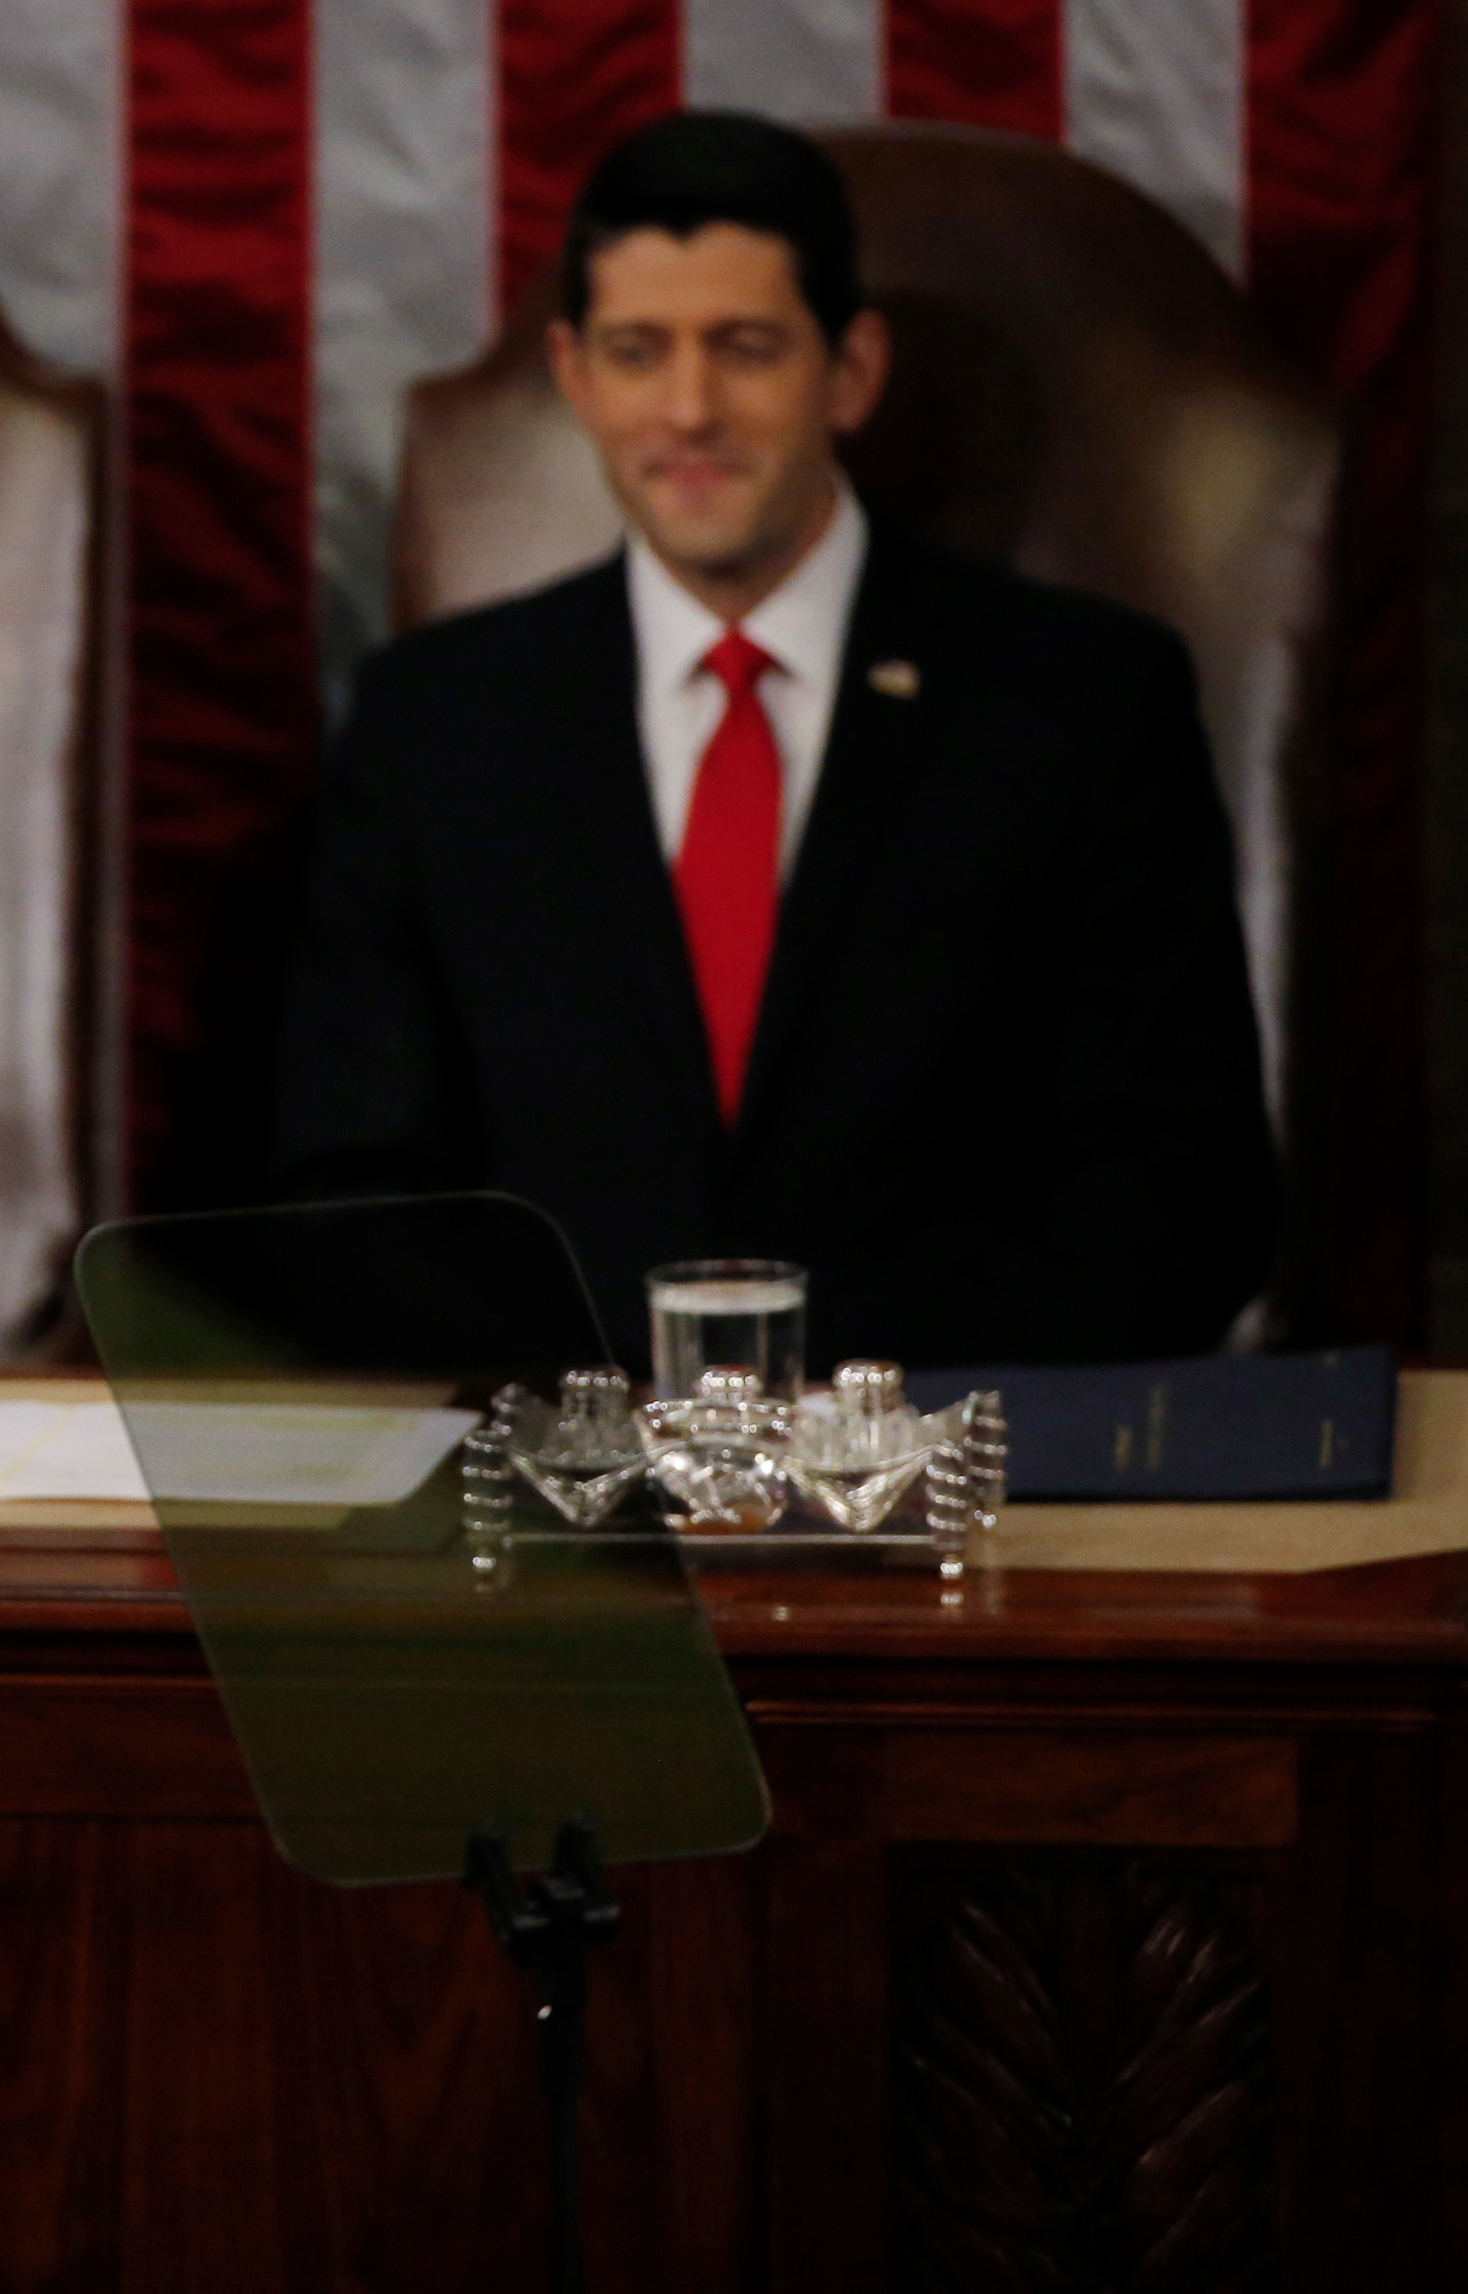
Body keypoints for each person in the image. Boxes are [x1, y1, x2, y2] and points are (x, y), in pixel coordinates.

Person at [273, 111, 1276, 1368]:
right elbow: (351, 1186)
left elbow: (1182, 1194)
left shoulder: (1080, 701)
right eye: (639, 353)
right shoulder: (436, 721)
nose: (688, 409)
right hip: (561, 1498)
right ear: (576, 378)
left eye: (743, 349)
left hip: (961, 1477)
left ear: (849, 370)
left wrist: (846, 1423)